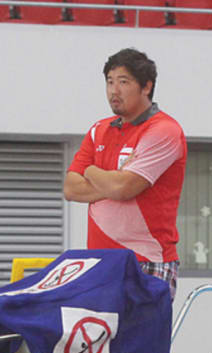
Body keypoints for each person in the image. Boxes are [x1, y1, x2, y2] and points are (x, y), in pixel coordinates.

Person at [63, 48, 187, 300]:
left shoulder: (163, 130)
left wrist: (90, 170)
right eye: (109, 82)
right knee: (99, 338)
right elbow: (71, 189)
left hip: (146, 262)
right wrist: (112, 178)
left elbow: (124, 188)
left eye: (123, 82)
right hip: (101, 261)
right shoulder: (99, 130)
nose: (113, 91)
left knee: (141, 340)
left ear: (146, 86)